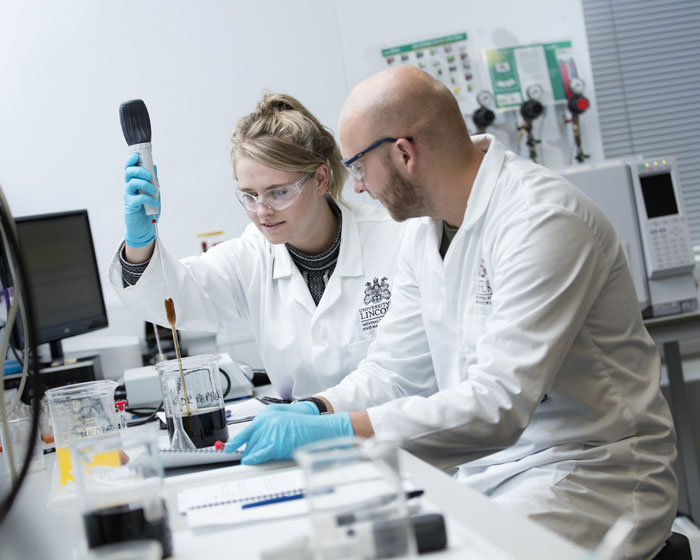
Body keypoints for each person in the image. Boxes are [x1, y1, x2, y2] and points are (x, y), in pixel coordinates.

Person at [224, 67, 678, 558]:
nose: (355, 188)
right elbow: (395, 370)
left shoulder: (543, 220)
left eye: (357, 167)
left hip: (587, 474)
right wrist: (317, 409)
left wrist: (339, 431)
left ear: (404, 154)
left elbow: (498, 404)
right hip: (489, 472)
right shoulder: (425, 231)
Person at [109, 93, 407, 400]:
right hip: (304, 443)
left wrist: (319, 412)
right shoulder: (251, 257)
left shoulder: (395, 238)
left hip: (397, 439)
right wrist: (139, 245)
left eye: (278, 193)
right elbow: (177, 299)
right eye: (249, 195)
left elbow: (408, 373)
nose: (262, 211)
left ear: (320, 179)